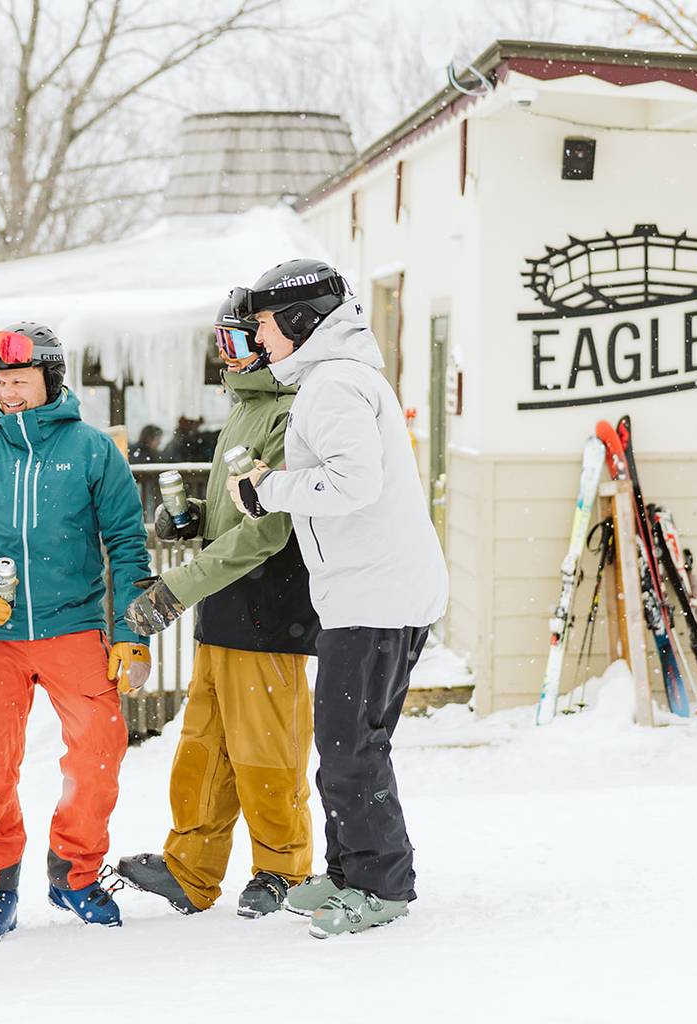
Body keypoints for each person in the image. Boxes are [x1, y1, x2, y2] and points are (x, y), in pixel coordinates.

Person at [224, 259, 448, 940]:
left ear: (300, 320)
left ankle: (382, 883)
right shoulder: (335, 380)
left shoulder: (334, 386)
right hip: (371, 593)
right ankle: (351, 869)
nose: (258, 341)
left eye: (263, 326)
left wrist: (271, 490)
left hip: (376, 598)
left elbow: (355, 485)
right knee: (347, 745)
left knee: (353, 749)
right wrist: (284, 481)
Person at [0, 322, 152, 941]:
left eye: (20, 379)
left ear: (50, 379)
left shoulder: (91, 450)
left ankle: (75, 874)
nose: (9, 392)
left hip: (73, 627)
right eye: (0, 382)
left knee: (99, 754)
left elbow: (128, 544)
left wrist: (132, 632)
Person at [116, 296, 321, 918]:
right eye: (221, 346)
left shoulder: (293, 413)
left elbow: (267, 531)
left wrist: (176, 589)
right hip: (222, 609)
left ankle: (282, 868)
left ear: (267, 343)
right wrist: (190, 520)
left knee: (267, 749)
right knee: (204, 746)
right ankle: (191, 869)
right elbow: (236, 516)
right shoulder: (247, 410)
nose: (225, 359)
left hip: (270, 607)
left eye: (236, 343)